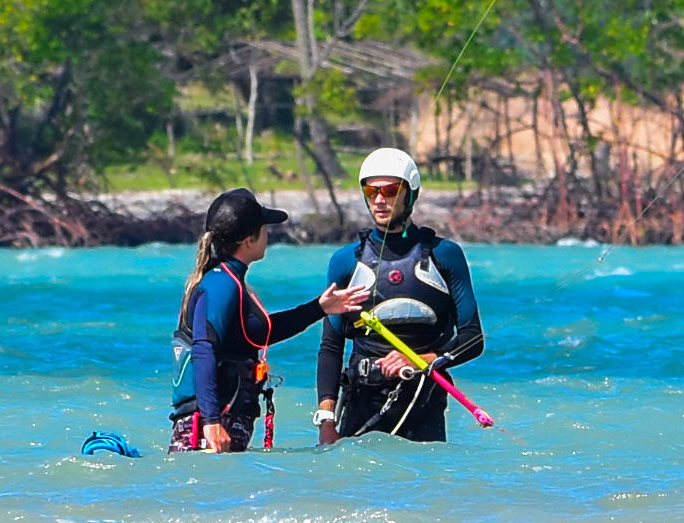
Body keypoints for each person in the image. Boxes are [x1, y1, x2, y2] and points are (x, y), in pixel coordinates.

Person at [319, 146, 482, 445]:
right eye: (371, 191)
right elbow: (331, 345)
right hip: (361, 403)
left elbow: (473, 338)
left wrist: (423, 360)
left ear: (411, 193)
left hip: (424, 402)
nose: (380, 200)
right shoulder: (344, 263)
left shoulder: (445, 256)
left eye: (391, 190)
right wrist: (326, 419)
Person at [170, 187, 339, 452]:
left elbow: (264, 333)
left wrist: (320, 308)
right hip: (211, 425)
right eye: (265, 228)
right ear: (249, 239)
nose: (268, 236)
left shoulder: (230, 281)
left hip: (224, 419)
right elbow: (204, 349)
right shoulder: (221, 285)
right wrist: (212, 421)